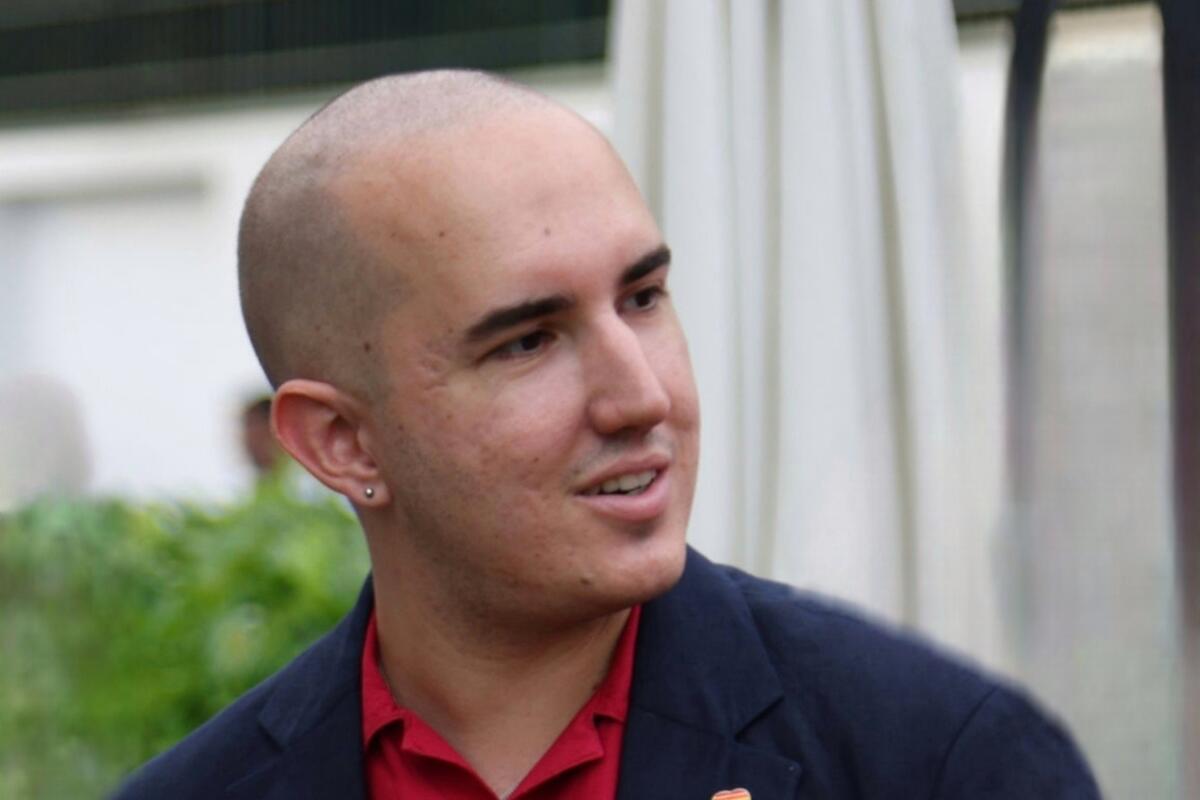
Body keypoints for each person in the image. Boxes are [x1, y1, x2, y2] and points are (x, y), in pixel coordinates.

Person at [115, 70, 1100, 799]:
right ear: (343, 442)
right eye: (528, 341)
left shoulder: (942, 760)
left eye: (643, 297)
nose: (643, 395)